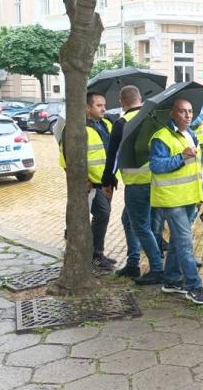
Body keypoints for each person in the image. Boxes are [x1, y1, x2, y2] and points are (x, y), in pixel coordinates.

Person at [149, 99, 203, 304]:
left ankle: (172, 280)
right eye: (182, 111)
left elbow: (194, 169)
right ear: (172, 114)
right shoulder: (161, 137)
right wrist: (180, 157)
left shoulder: (191, 134)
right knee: (185, 242)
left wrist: (199, 193)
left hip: (189, 197)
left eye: (190, 111)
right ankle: (194, 286)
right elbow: (156, 166)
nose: (187, 115)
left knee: (177, 241)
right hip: (171, 199)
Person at [101, 86, 164, 284]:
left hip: (136, 183)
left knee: (141, 227)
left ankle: (156, 268)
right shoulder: (152, 118)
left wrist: (107, 180)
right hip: (156, 180)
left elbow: (112, 156)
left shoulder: (122, 123)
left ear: (121, 102)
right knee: (128, 221)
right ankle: (132, 264)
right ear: (140, 98)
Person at [59, 92, 116, 271]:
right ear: (87, 107)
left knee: (101, 216)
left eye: (104, 105)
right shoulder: (75, 128)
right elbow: (67, 158)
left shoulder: (106, 124)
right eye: (99, 105)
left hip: (105, 182)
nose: (104, 108)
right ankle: (94, 255)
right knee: (101, 214)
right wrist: (84, 180)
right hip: (90, 184)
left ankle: (94, 252)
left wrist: (111, 180)